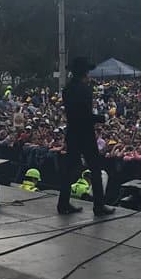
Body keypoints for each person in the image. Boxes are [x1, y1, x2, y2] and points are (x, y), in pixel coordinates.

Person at [56, 57, 113, 216]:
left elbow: (74, 114)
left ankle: (63, 203)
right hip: (86, 135)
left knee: (68, 170)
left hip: (73, 133)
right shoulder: (85, 90)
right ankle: (99, 206)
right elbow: (86, 115)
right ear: (85, 73)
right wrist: (102, 118)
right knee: (95, 169)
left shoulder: (67, 90)